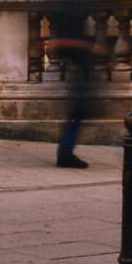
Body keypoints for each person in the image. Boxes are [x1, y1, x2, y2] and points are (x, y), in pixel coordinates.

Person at [51, 14, 99, 169]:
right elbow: (65, 41)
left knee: (77, 112)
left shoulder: (71, 4)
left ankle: (65, 152)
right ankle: (65, 153)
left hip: (78, 64)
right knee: (76, 112)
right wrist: (86, 46)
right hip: (78, 65)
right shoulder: (70, 6)